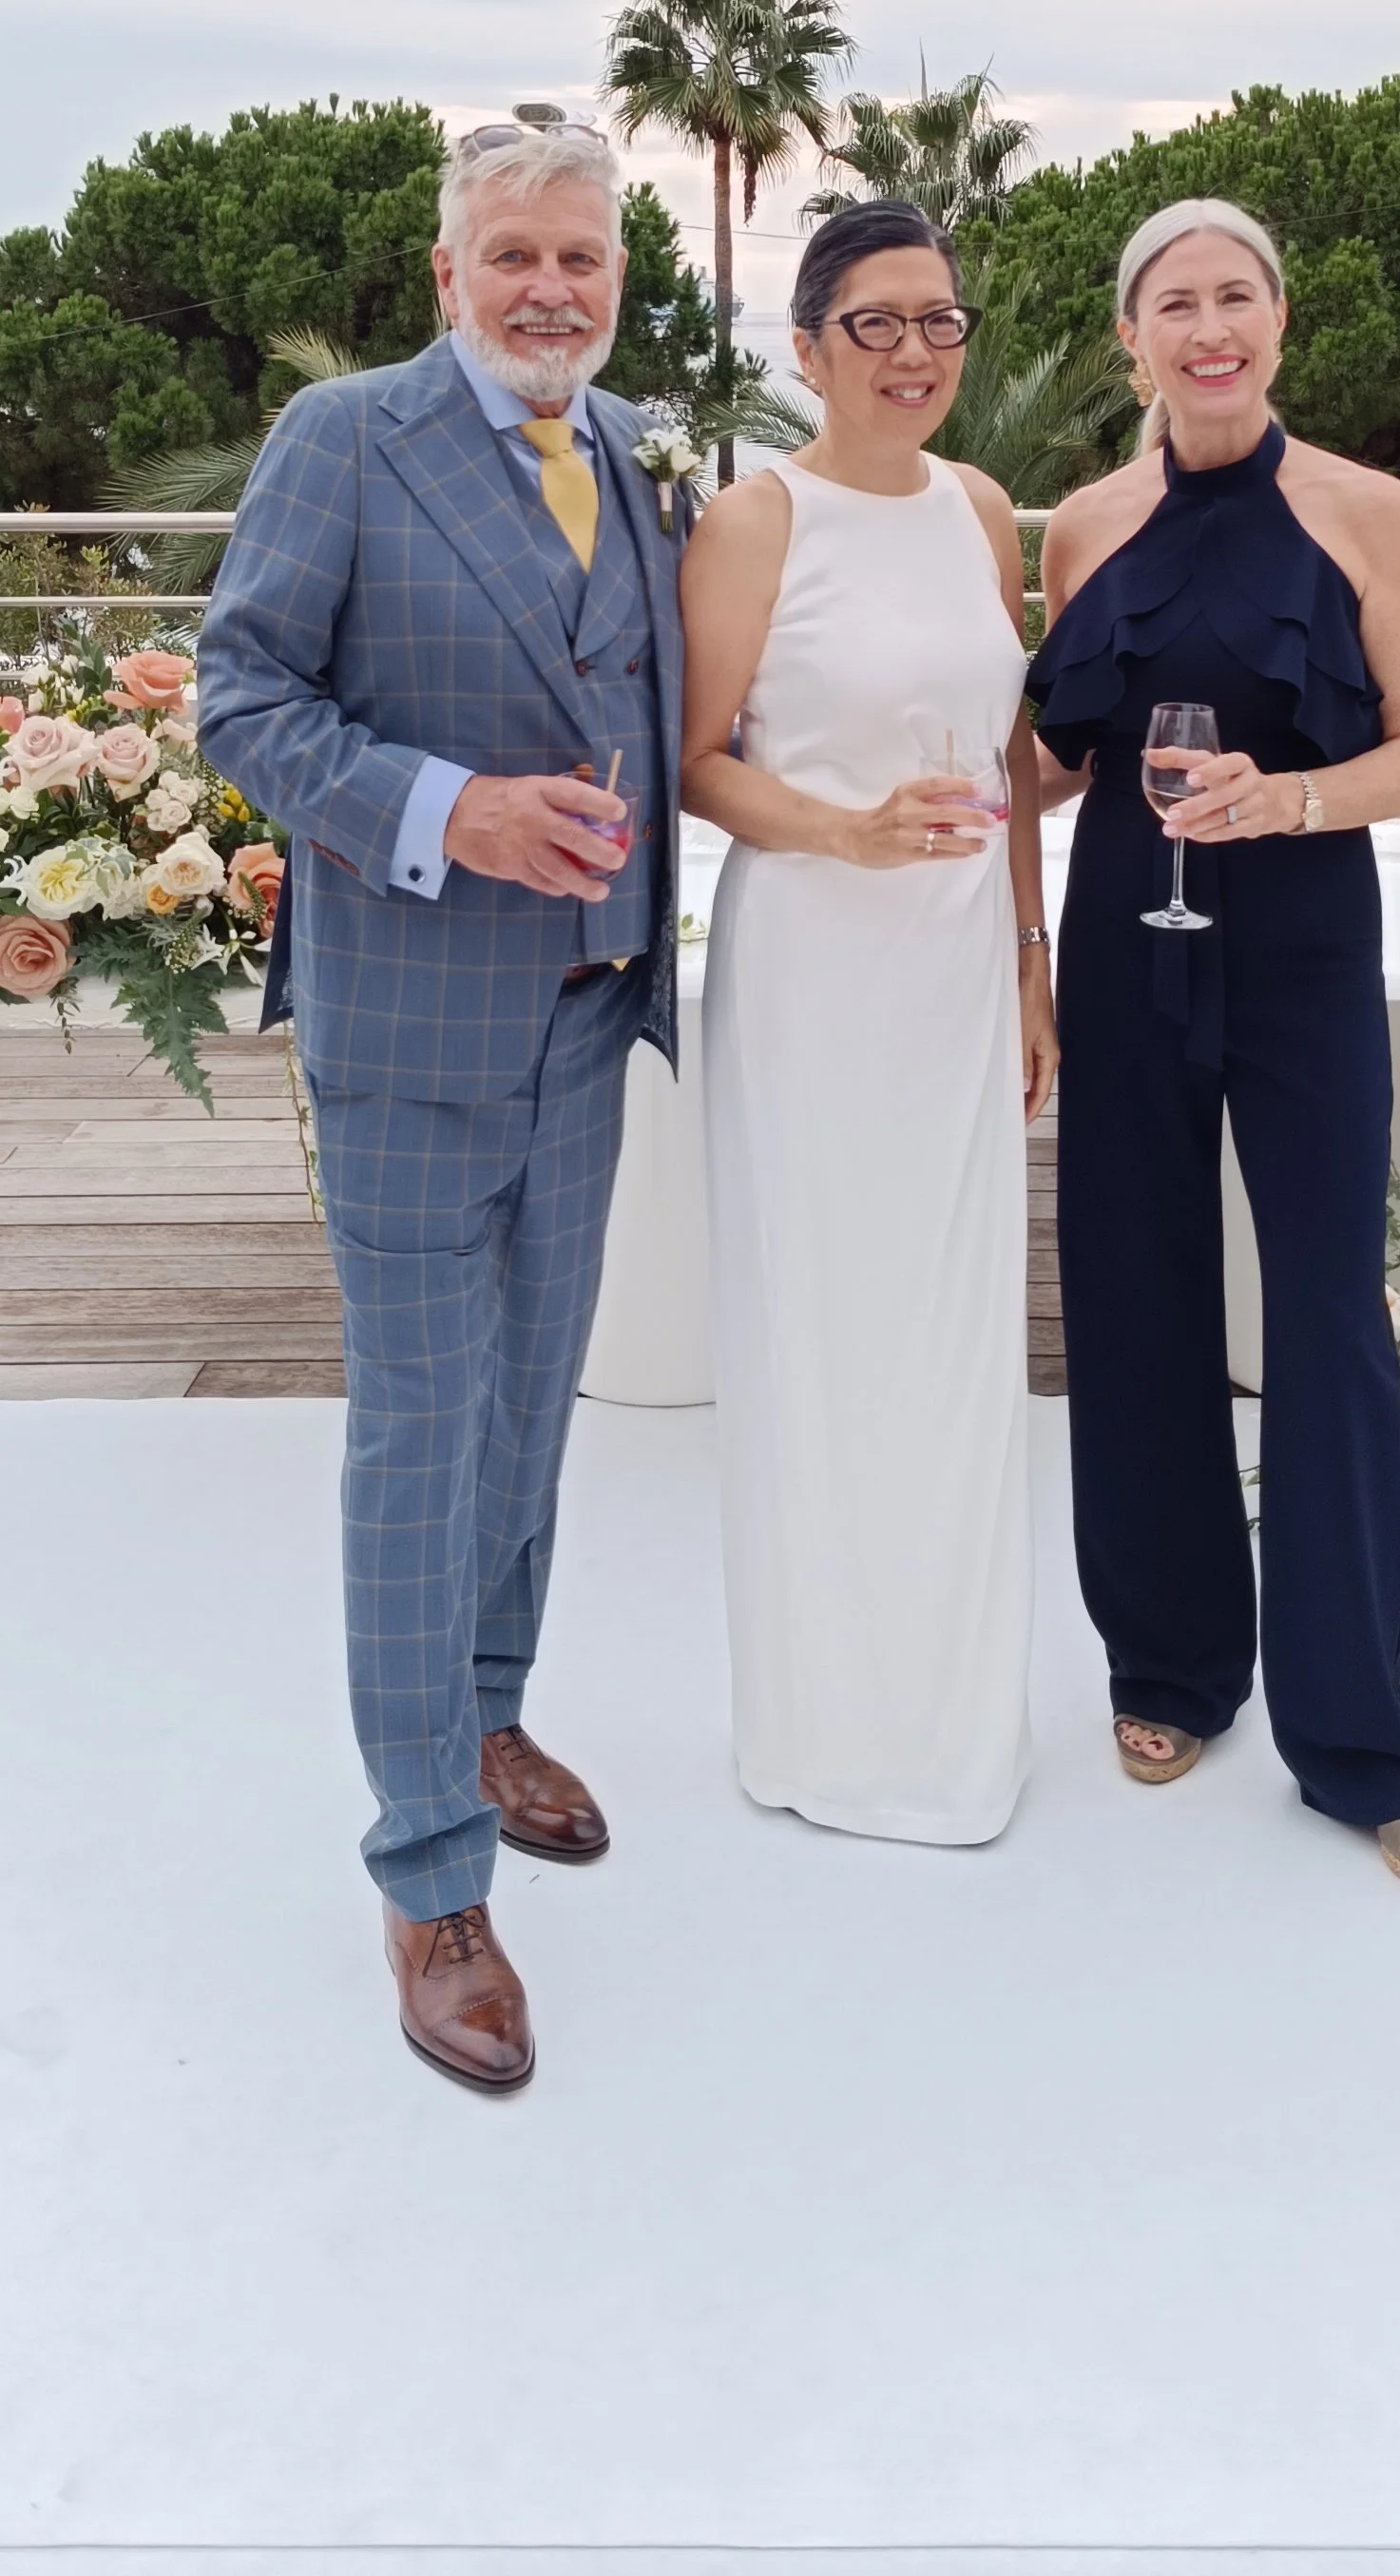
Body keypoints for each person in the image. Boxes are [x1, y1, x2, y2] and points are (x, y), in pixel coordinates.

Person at [198, 115, 688, 2087]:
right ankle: (426, 1866)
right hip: (406, 1032)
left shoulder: (633, 445)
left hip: (585, 1024)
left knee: (528, 1410)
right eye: (516, 259)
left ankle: (485, 1706)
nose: (552, 289)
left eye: (583, 258)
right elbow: (240, 694)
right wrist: (449, 812)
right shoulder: (344, 440)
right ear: (446, 274)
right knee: (418, 1434)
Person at [1028, 197, 1400, 1893]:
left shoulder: (1369, 511)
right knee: (1134, 1297)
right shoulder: (1084, 524)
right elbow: (1062, 752)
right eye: (1173, 304)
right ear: (1132, 337)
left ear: (1277, 324)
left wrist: (1283, 798)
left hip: (1297, 937)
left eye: (1238, 298)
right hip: (1126, 930)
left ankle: (1359, 1734)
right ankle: (1171, 1666)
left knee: (1330, 1318)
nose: (1208, 329)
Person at [680, 199, 1056, 1844]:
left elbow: (1012, 759)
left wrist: (1033, 956)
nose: (915, 353)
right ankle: (829, 1734)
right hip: (815, 976)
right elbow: (698, 761)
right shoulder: (757, 522)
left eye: (940, 322)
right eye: (877, 323)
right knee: (824, 1335)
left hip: (961, 968)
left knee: (956, 1340)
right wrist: (844, 830)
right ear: (808, 346)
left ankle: (955, 1716)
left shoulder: (980, 507)